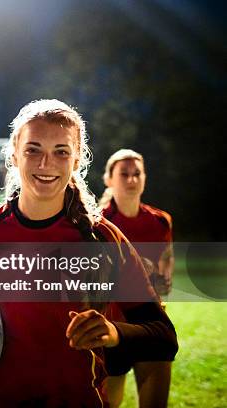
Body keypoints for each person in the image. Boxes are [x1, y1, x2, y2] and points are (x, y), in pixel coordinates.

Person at [0, 99, 178, 407]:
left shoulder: (102, 240)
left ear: (77, 160)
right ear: (14, 154)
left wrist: (113, 332)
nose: (45, 164)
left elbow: (162, 335)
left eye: (61, 152)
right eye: (33, 149)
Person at [100, 148, 175, 407]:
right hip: (111, 327)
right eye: (124, 174)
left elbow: (165, 269)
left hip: (149, 325)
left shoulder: (160, 221)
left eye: (137, 174)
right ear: (109, 179)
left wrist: (161, 283)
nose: (131, 180)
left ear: (145, 178)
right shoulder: (97, 224)